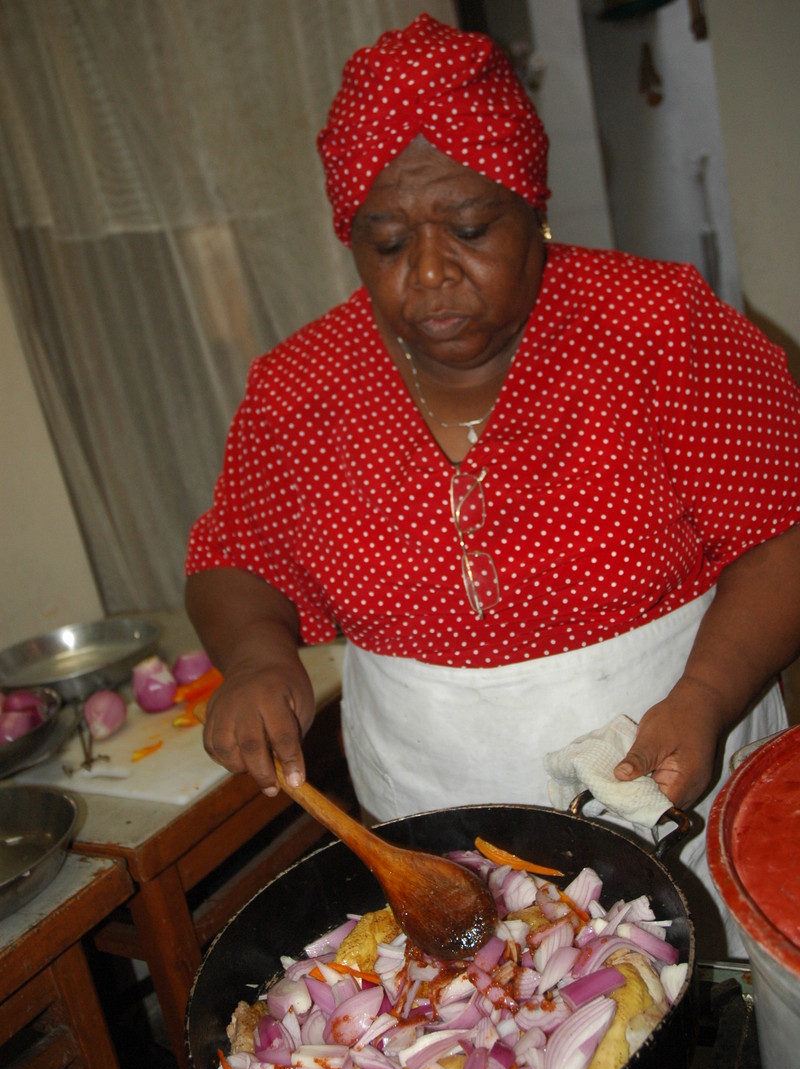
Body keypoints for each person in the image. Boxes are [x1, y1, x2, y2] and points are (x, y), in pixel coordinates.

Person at [185, 15, 800, 966]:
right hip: (438, 831)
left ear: (533, 207)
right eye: (387, 243)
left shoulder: (653, 326)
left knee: (711, 1028)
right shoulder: (302, 389)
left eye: (470, 229)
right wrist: (259, 655)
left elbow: (785, 528)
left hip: (682, 770)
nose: (430, 276)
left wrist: (712, 693)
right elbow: (237, 554)